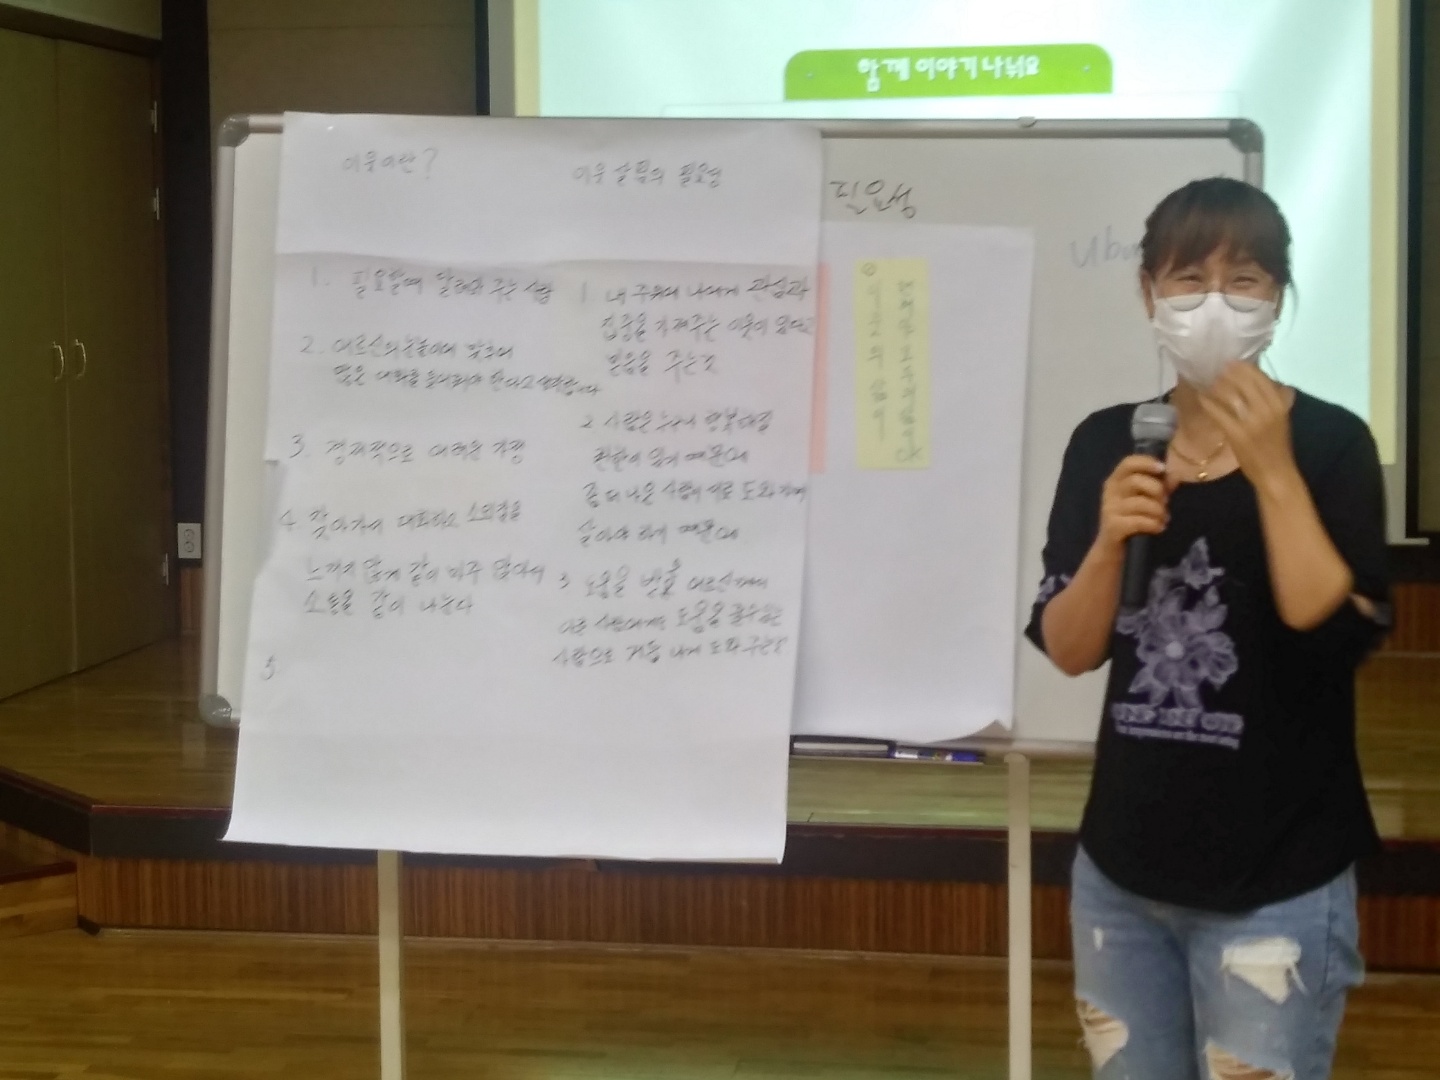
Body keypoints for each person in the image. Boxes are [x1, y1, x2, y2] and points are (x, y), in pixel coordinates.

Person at [1026, 177, 1391, 1080]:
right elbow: (1070, 648)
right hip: (1122, 874)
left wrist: (1272, 470)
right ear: (1149, 292)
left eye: (1245, 280)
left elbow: (1320, 614)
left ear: (1279, 297)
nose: (1215, 305)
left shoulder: (1334, 444)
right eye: (1189, 279)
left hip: (1276, 879)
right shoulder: (1110, 442)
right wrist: (1109, 542)